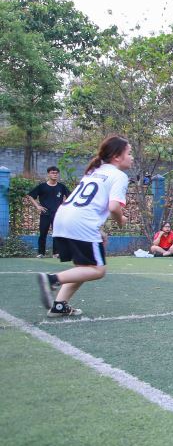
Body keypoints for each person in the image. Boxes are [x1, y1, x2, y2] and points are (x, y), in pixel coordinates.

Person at [36, 135, 132, 317]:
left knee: (84, 267)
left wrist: (99, 230)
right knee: (97, 270)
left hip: (64, 217)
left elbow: (89, 203)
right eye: (129, 153)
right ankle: (51, 280)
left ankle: (59, 305)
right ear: (117, 157)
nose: (131, 157)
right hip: (81, 222)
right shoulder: (119, 176)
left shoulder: (94, 171)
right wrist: (121, 220)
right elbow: (114, 207)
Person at [26, 166, 71, 258]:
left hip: (57, 214)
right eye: (52, 173)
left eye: (56, 173)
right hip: (45, 213)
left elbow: (70, 196)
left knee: (57, 233)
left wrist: (64, 205)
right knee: (43, 234)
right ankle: (41, 253)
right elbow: (30, 195)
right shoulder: (42, 186)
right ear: (48, 174)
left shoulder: (61, 187)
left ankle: (56, 253)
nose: (55, 175)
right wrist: (37, 206)